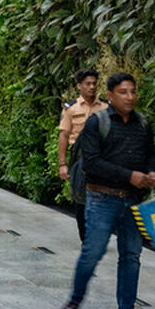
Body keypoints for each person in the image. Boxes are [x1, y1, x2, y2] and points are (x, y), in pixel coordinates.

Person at [58, 73, 155, 309]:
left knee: (131, 256)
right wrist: (130, 176)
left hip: (133, 200)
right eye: (123, 92)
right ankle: (74, 300)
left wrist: (151, 172)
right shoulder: (97, 122)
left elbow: (151, 155)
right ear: (110, 96)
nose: (130, 97)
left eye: (133, 91)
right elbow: (92, 162)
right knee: (92, 252)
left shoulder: (143, 123)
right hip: (101, 199)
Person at [57, 69, 106, 241]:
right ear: (79, 86)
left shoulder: (105, 107)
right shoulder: (71, 109)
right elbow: (64, 136)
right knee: (81, 197)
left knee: (102, 196)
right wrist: (62, 164)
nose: (92, 87)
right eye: (87, 84)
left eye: (94, 83)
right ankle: (85, 237)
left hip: (101, 158)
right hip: (80, 158)